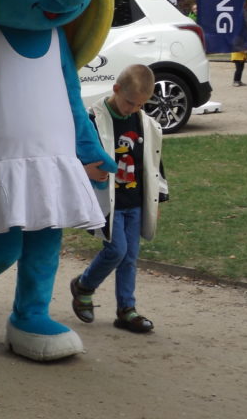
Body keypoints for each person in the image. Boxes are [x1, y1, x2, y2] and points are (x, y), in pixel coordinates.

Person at [70, 63, 168, 334]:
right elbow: (74, 154)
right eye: (129, 103)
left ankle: (127, 309)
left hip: (135, 200)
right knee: (116, 250)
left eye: (139, 105)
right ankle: (84, 286)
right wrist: (85, 169)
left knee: (130, 256)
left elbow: (154, 160)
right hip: (107, 201)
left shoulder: (144, 122)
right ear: (116, 89)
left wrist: (158, 199)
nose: (133, 109)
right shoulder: (93, 119)